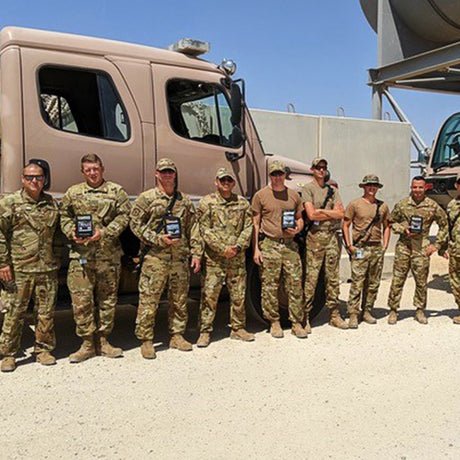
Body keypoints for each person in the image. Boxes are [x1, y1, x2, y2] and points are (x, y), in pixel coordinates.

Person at [60, 154, 130, 362]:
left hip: (108, 257)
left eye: (95, 168)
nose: (92, 172)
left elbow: (125, 216)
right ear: (83, 172)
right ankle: (87, 344)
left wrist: (105, 233)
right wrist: (71, 232)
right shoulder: (73, 192)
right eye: (88, 169)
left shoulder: (116, 191)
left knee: (107, 301)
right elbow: (63, 216)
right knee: (81, 302)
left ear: (102, 169)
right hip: (81, 257)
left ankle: (104, 341)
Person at [130, 158, 201, 359]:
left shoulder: (183, 201)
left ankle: (177, 335)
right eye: (164, 171)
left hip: (179, 258)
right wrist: (157, 239)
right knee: (149, 301)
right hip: (155, 259)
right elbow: (135, 224)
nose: (167, 174)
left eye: (171, 171)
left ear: (175, 174)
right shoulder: (146, 198)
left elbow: (193, 228)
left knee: (179, 300)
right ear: (156, 174)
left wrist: (196, 253)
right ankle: (146, 340)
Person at [0, 162, 60, 372]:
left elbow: (58, 234)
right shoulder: (10, 203)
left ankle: (42, 350)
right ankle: (8, 354)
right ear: (22, 179)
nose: (34, 181)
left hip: (46, 268)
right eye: (30, 177)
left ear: (44, 180)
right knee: (14, 313)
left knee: (45, 312)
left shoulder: (51, 203)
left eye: (39, 177)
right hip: (20, 268)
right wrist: (3, 262)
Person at [195, 167, 254, 347]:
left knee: (238, 295)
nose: (226, 183)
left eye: (229, 180)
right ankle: (205, 331)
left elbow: (248, 227)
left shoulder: (242, 203)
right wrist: (222, 249)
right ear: (216, 182)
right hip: (215, 260)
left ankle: (238, 328)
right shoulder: (207, 203)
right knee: (210, 295)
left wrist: (236, 247)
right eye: (222, 180)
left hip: (236, 258)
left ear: (234, 183)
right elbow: (203, 229)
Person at [252, 160, 307, 339]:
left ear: (285, 175)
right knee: (269, 285)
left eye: (280, 174)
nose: (277, 177)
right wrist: (256, 249)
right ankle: (274, 322)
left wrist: (297, 228)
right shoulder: (260, 196)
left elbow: (300, 218)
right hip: (269, 244)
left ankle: (296, 322)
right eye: (274, 174)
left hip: (290, 245)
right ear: (270, 176)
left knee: (295, 284)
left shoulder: (293, 196)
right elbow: (255, 223)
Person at [387, 175, 448, 324]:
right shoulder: (402, 204)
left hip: (422, 249)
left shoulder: (432, 206)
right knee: (397, 280)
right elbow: (390, 222)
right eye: (415, 187)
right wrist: (403, 228)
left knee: (421, 281)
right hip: (404, 247)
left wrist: (436, 245)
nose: (417, 190)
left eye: (420, 187)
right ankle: (393, 310)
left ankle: (420, 310)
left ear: (425, 188)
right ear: (411, 187)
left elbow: (444, 224)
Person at [303, 158, 348, 331]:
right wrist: (330, 213)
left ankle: (334, 315)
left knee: (332, 278)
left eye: (324, 168)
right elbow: (311, 215)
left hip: (331, 238)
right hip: (315, 238)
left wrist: (322, 211)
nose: (321, 170)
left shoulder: (332, 190)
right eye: (318, 167)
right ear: (312, 169)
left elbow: (341, 213)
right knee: (311, 278)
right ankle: (305, 316)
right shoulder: (308, 189)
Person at [342, 174, 390, 328]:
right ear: (363, 187)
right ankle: (353, 314)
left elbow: (387, 225)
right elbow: (345, 225)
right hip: (360, 248)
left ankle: (367, 310)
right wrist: (350, 245)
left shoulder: (382, 206)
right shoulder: (355, 204)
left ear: (377, 188)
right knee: (357, 282)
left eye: (374, 185)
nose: (372, 188)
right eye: (369, 185)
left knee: (373, 283)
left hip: (376, 248)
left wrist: (385, 246)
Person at [437, 174, 460, 324]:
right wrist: (442, 247)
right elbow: (446, 228)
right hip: (456, 250)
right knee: (456, 282)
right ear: (457, 186)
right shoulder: (452, 205)